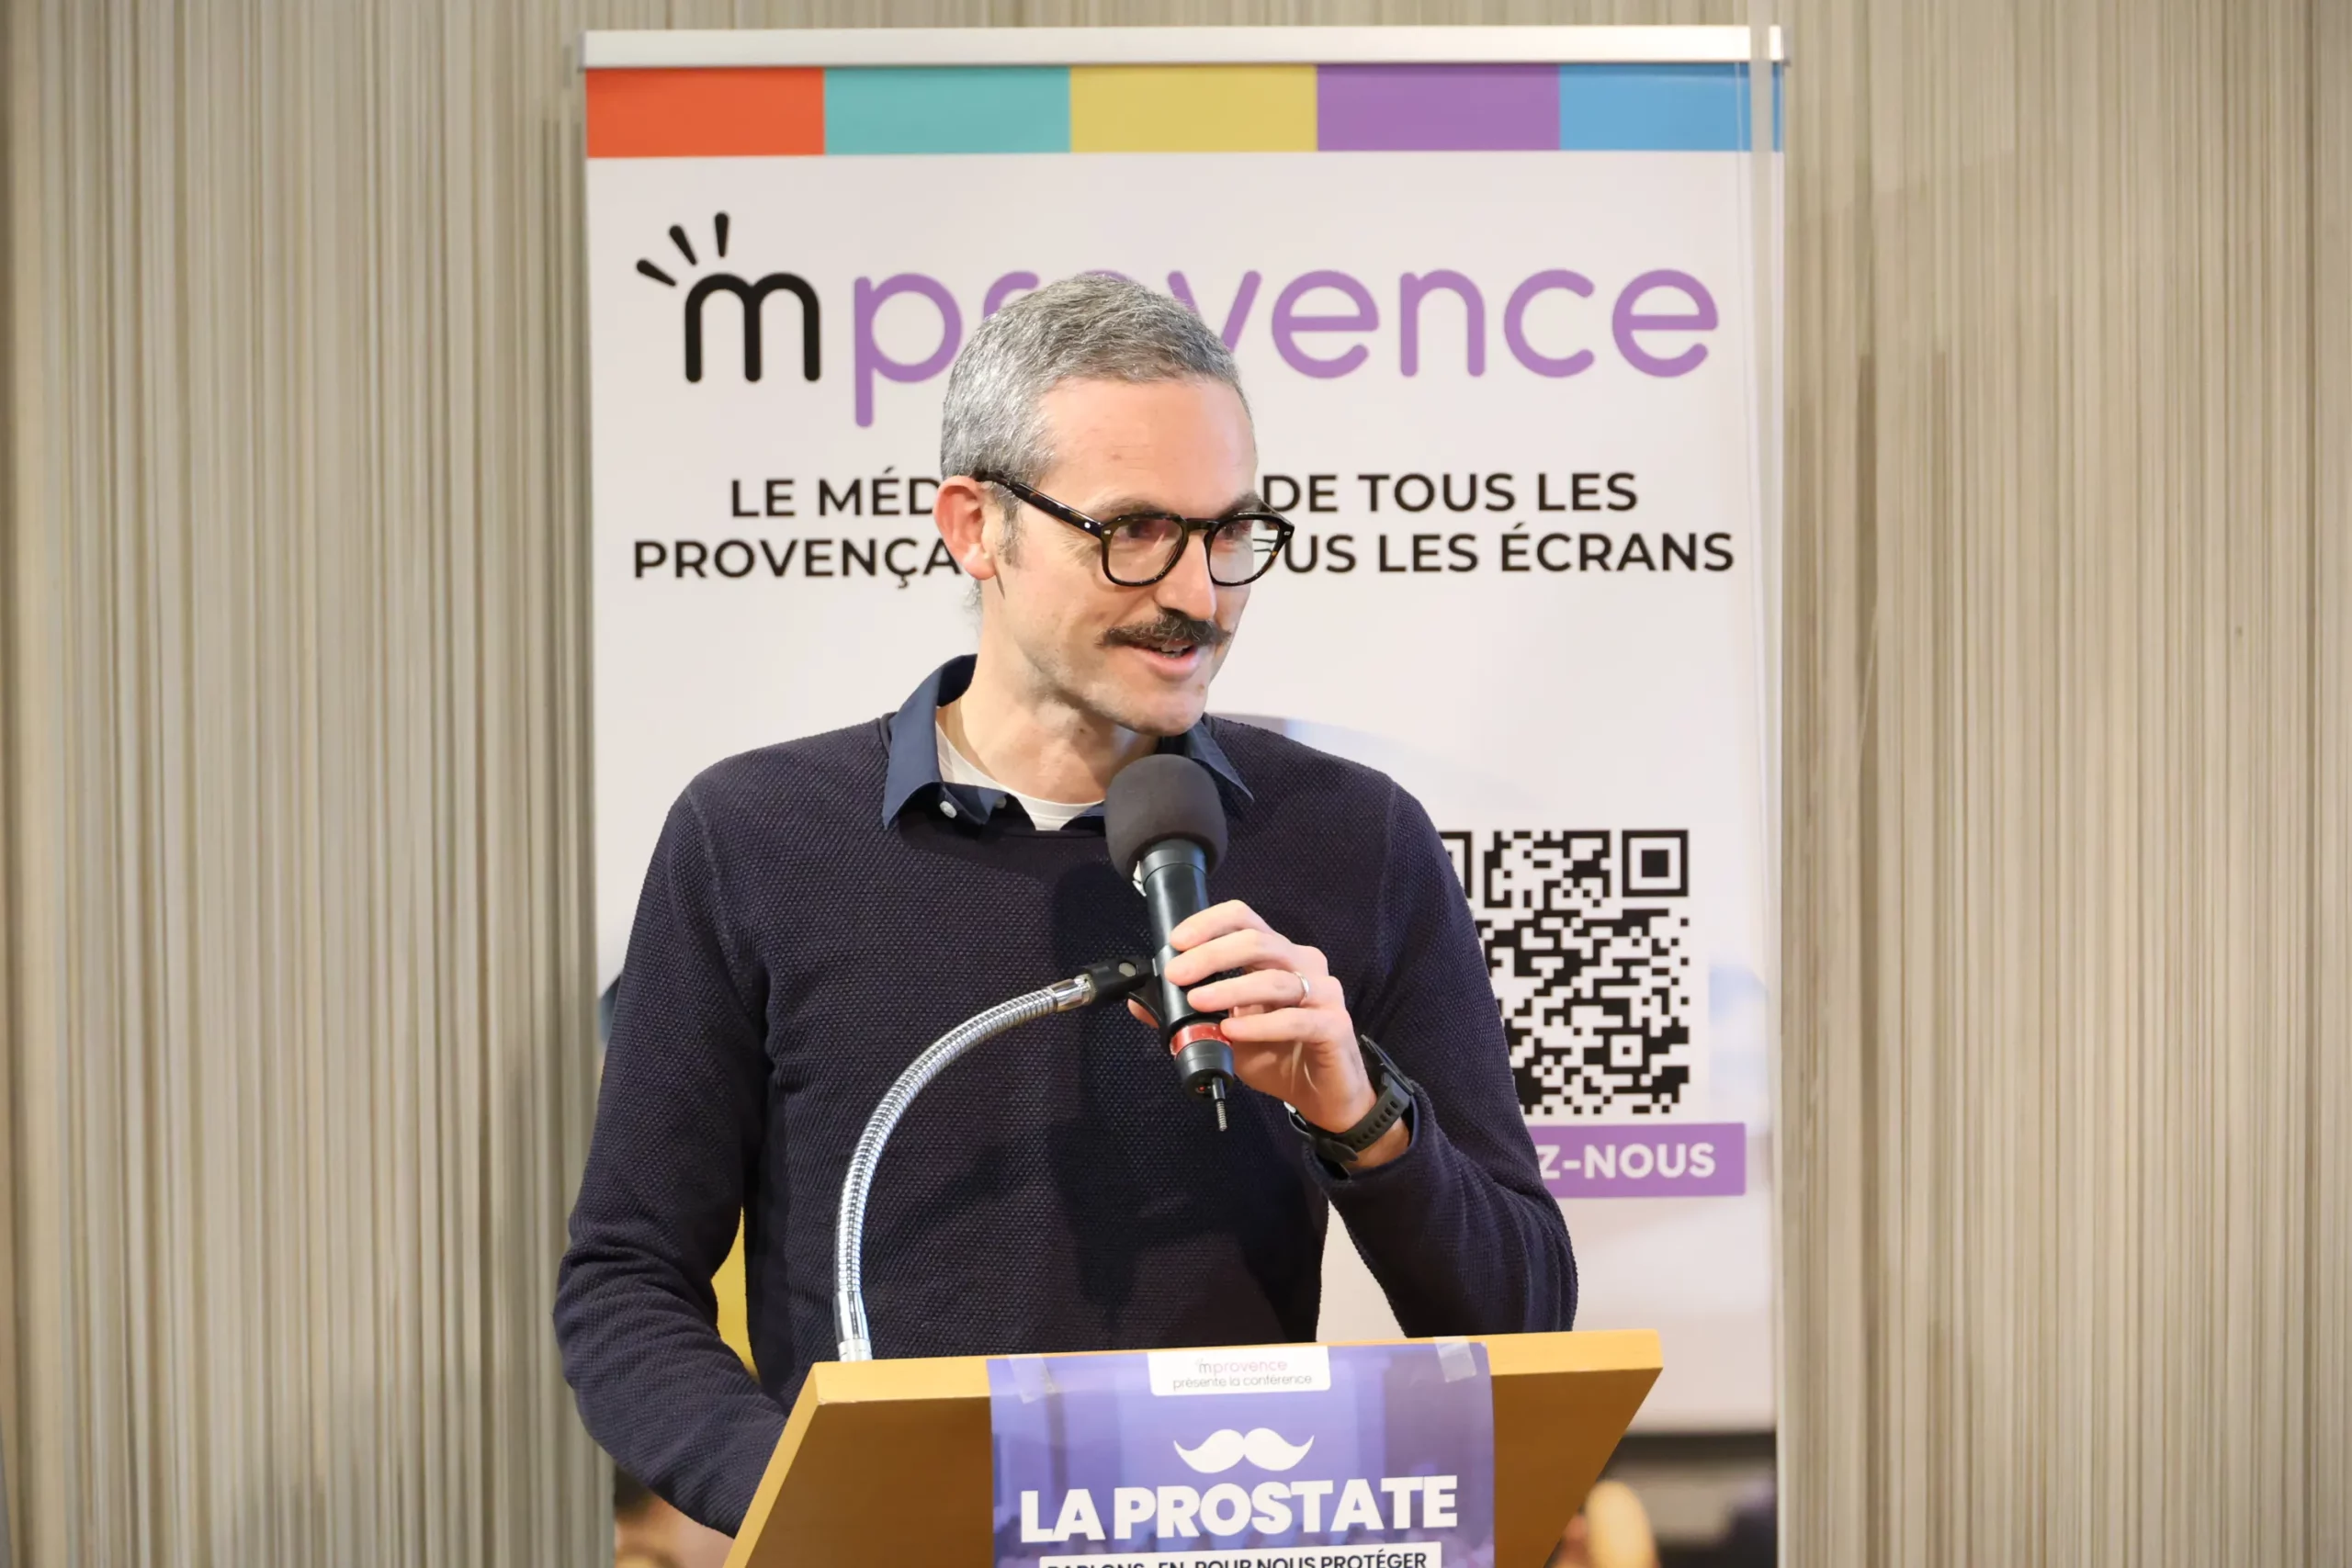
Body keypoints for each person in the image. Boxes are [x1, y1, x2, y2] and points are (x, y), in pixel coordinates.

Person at [556, 274, 1577, 1533]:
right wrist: (823, 1511)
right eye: (1133, 531)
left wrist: (1360, 1117)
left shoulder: (1354, 839)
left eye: (1229, 533)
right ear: (976, 527)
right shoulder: (757, 837)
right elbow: (626, 1283)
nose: (1197, 594)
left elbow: (1522, 1317)